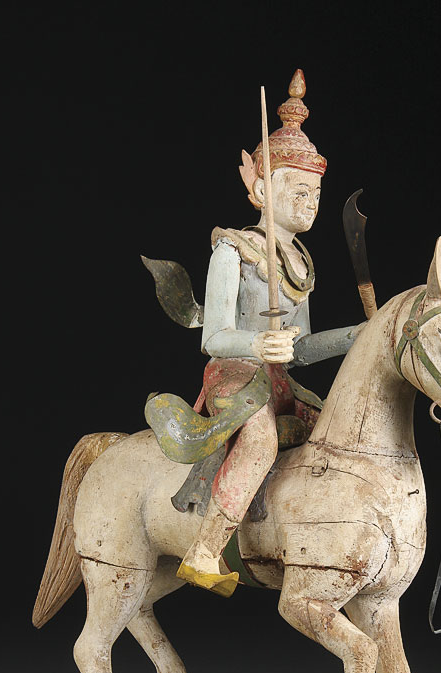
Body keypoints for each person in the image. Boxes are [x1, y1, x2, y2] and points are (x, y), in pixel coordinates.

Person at [177, 69, 364, 596]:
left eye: (316, 192)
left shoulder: (300, 263)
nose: (311, 201)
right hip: (234, 374)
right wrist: (257, 343)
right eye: (299, 189)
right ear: (261, 188)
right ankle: (204, 549)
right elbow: (213, 337)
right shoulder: (231, 250)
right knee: (259, 442)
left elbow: (298, 350)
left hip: (278, 378)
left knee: (333, 433)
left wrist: (358, 335)